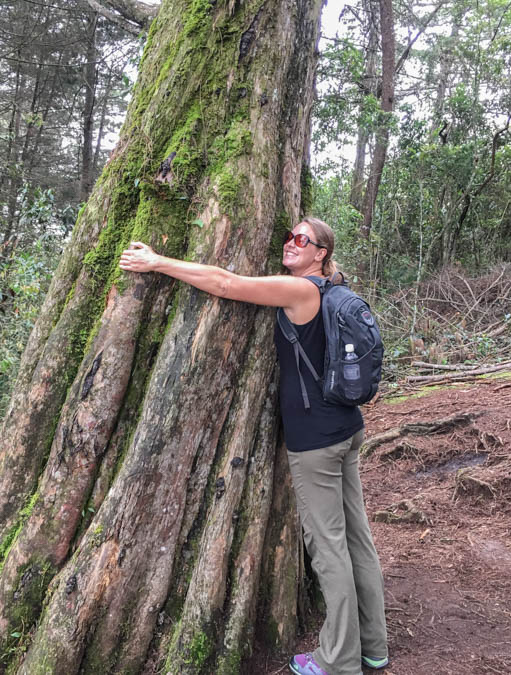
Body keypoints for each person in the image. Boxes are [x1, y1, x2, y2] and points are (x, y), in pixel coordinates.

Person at [119, 217, 389, 675]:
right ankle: (373, 646)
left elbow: (227, 283)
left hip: (316, 442)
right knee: (356, 539)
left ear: (321, 253)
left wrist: (158, 262)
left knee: (328, 549)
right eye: (289, 236)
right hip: (346, 429)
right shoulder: (335, 293)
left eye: (301, 239)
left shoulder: (303, 290)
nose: (290, 243)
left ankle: (338, 660)